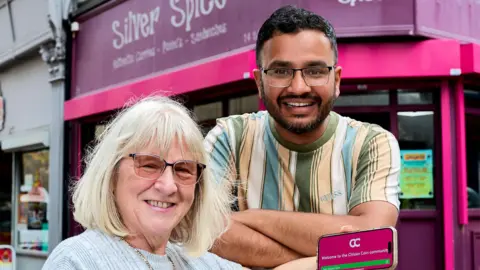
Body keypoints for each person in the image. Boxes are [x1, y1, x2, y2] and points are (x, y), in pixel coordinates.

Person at [204, 5, 401, 269]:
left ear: (337, 80)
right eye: (280, 71)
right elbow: (200, 230)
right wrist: (323, 261)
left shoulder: (372, 144)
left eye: (315, 71)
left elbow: (372, 242)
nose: (298, 87)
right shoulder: (228, 139)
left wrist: (250, 219)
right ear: (258, 83)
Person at [42, 96, 247, 270]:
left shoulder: (204, 263)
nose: (168, 186)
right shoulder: (76, 262)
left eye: (184, 169)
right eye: (148, 165)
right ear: (112, 174)